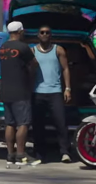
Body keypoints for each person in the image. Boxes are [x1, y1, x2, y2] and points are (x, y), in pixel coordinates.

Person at [28, 24, 72, 165]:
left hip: (55, 92)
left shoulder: (58, 50)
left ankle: (65, 152)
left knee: (61, 122)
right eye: (42, 32)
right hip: (38, 93)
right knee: (38, 125)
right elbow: (28, 71)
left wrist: (68, 88)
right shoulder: (33, 51)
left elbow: (65, 68)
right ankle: (40, 153)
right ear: (38, 35)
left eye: (47, 32)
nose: (45, 34)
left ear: (51, 35)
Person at [0, 23, 35, 166]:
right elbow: (34, 64)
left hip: (6, 90)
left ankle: (10, 154)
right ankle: (21, 154)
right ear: (20, 31)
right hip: (20, 90)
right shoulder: (23, 47)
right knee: (23, 123)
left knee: (10, 124)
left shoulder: (2, 48)